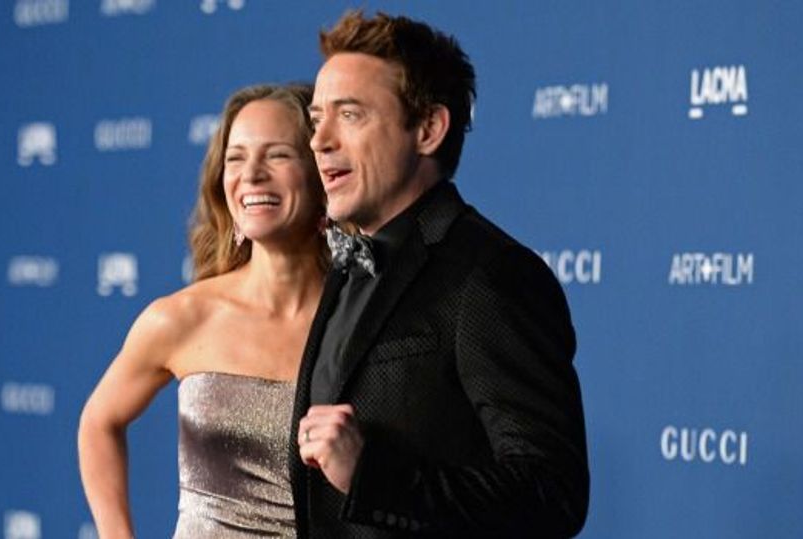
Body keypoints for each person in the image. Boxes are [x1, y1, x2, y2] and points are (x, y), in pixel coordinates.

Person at [290, 11, 590, 538]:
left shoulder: (491, 275)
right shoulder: (342, 266)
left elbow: (552, 493)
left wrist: (372, 478)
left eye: (351, 114)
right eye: (317, 119)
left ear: (428, 129)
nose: (319, 141)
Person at [78, 83, 327, 538]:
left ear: (321, 172)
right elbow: (99, 421)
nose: (251, 175)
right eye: (236, 158)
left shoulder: (364, 320)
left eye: (277, 155)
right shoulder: (183, 318)